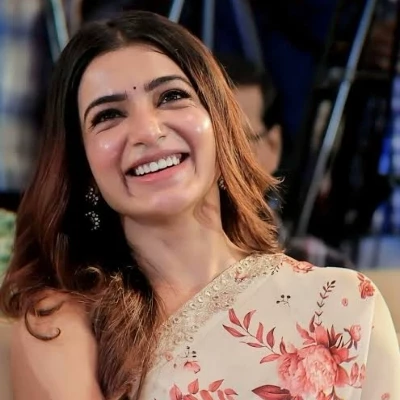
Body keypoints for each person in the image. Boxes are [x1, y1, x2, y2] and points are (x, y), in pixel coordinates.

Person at [0, 10, 398, 400]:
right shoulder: (61, 325)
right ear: (82, 166)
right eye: (108, 115)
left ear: (221, 125)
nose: (147, 131)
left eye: (172, 96)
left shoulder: (345, 305)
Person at [217, 53, 354, 268]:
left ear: (273, 145)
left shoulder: (327, 271)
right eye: (212, 140)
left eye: (238, 140)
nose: (220, 158)